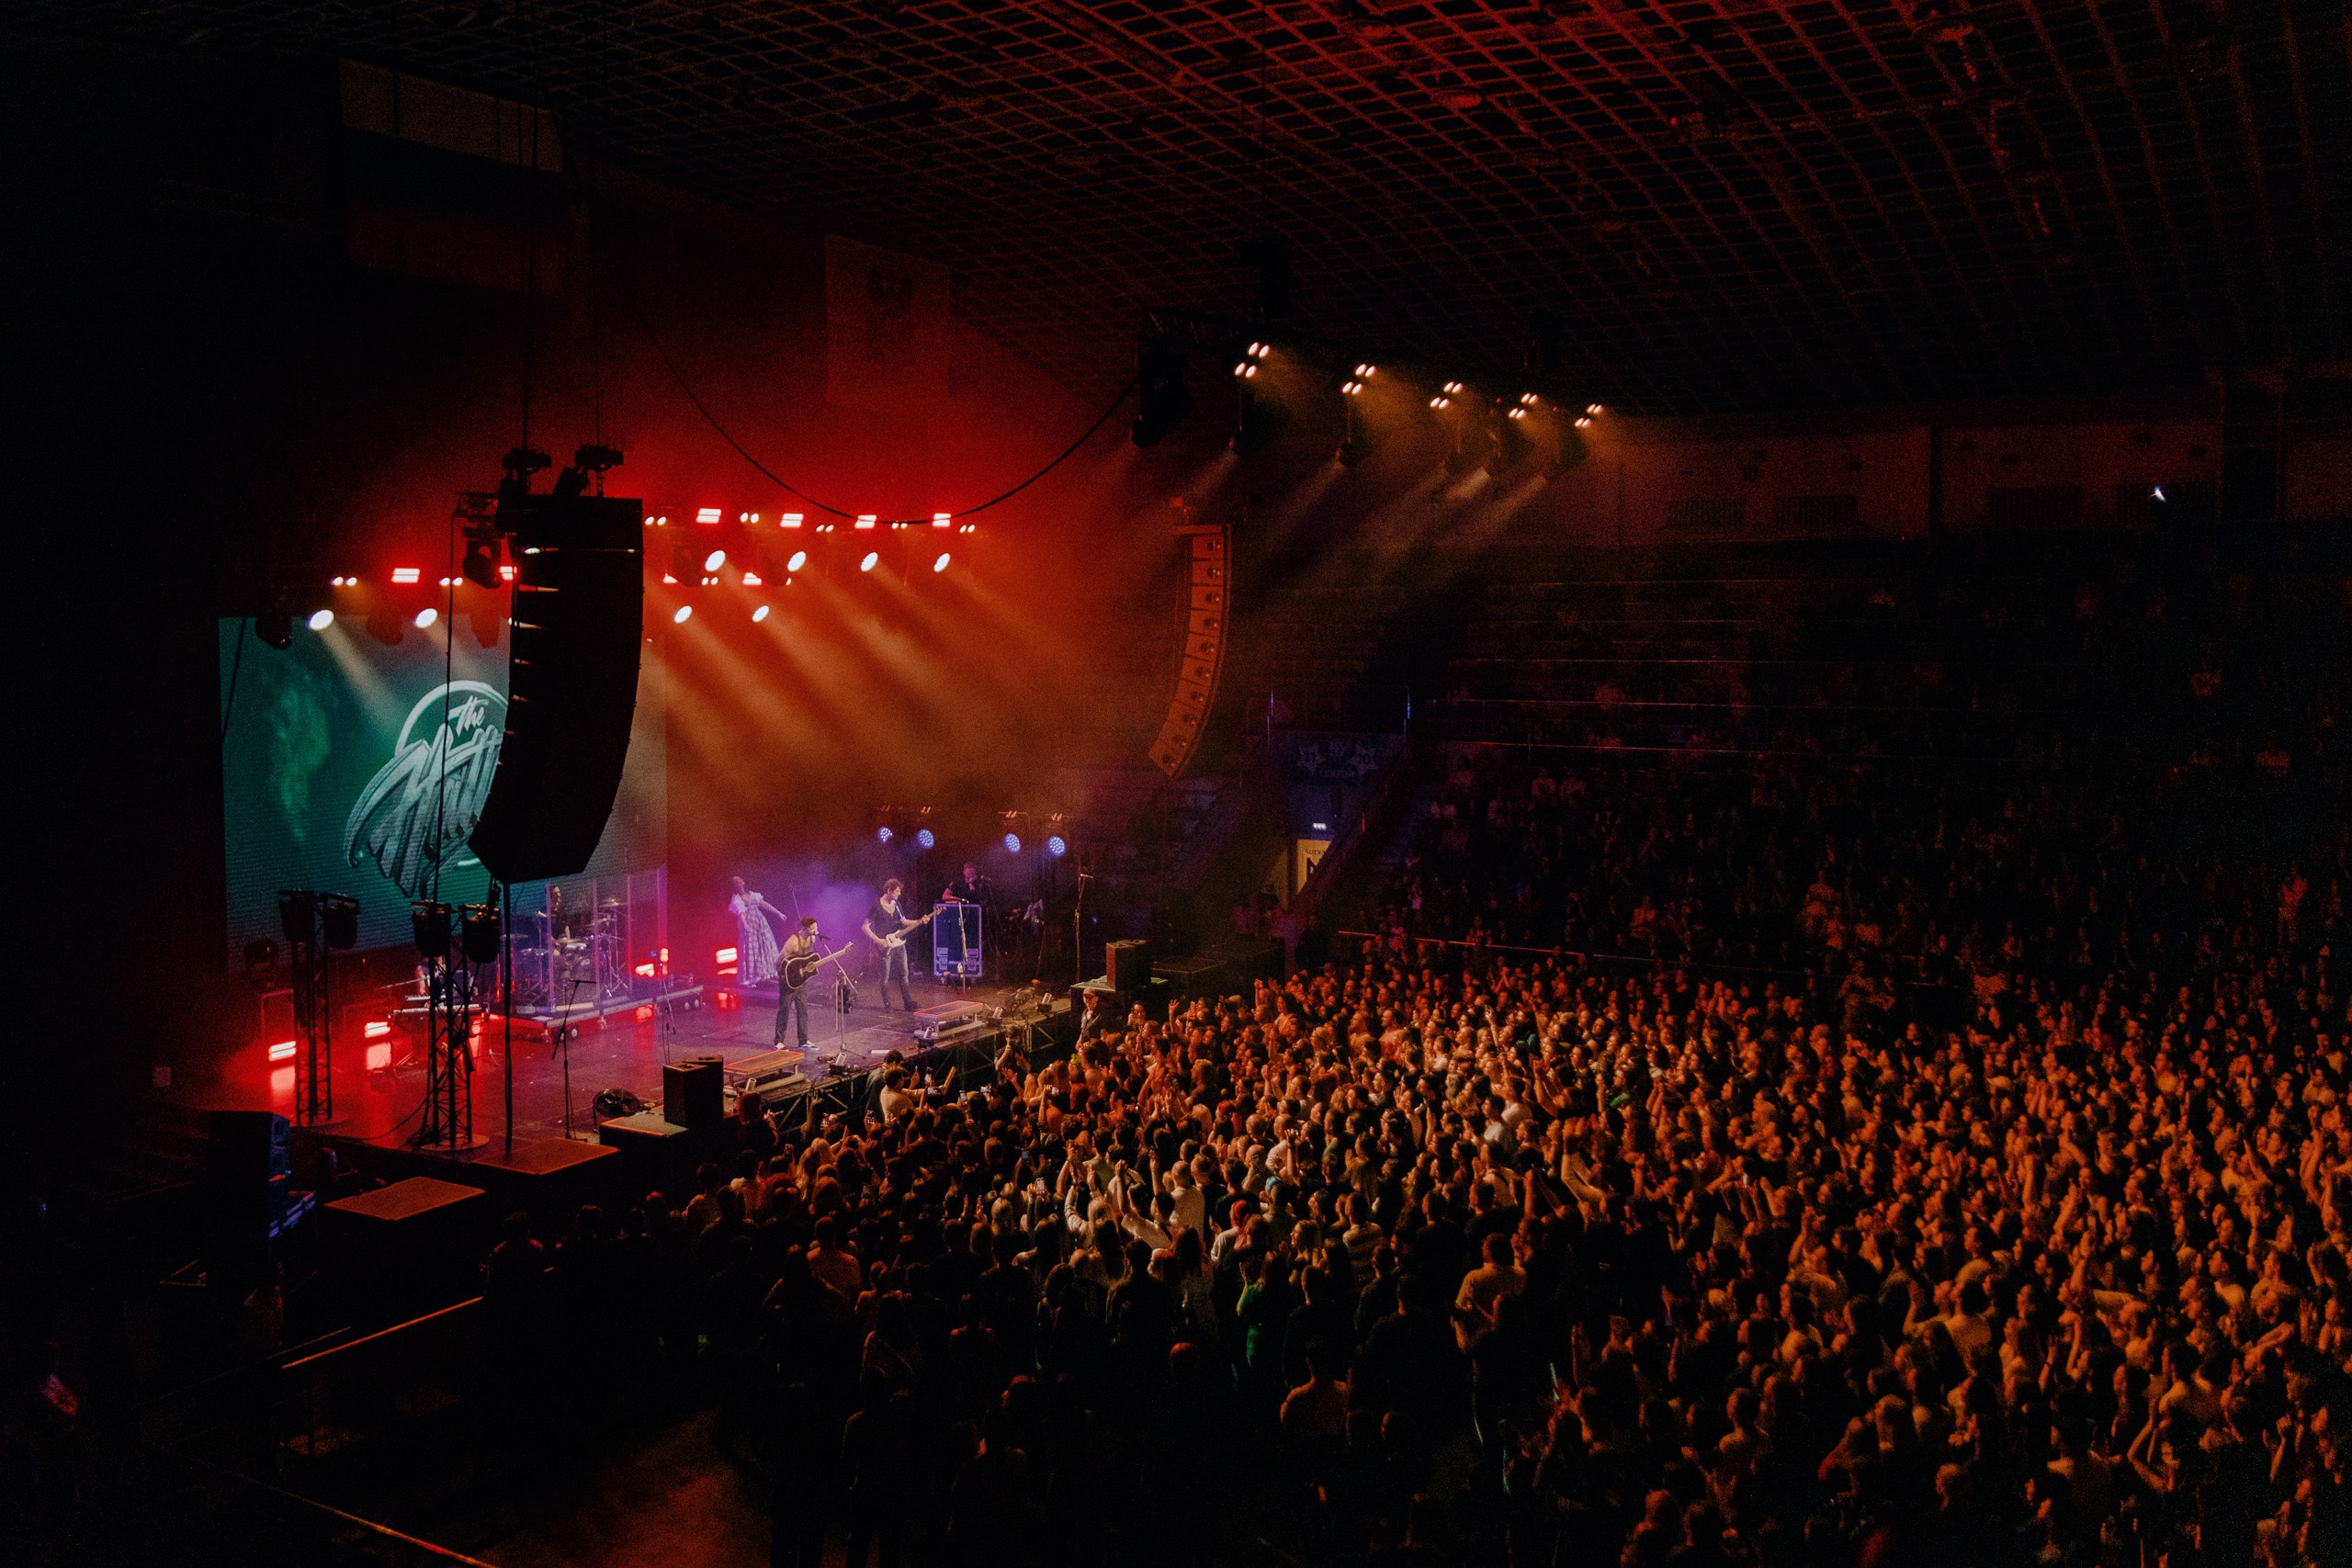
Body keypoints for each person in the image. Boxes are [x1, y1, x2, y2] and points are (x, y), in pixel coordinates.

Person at [862, 878, 922, 1012]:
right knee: (885, 977)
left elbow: (904, 921)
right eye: (896, 891)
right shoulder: (876, 906)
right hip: (884, 945)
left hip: (899, 943)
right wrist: (878, 940)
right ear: (888, 890)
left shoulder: (897, 904)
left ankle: (908, 1003)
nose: (899, 894)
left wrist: (919, 921)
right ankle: (887, 1004)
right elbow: (865, 927)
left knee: (904, 973)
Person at [729, 875, 783, 987]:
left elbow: (764, 904)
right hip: (750, 924)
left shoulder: (752, 895)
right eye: (735, 882)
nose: (738, 883)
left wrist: (778, 913)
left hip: (760, 923)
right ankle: (751, 977)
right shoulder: (737, 898)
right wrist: (745, 924)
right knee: (751, 948)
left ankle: (770, 972)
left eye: (739, 880)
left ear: (743, 882)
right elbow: (741, 913)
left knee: (766, 945)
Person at [775, 915, 818, 1049]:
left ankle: (803, 1041)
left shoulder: (812, 938)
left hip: (802, 981)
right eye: (813, 928)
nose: (816, 930)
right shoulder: (793, 941)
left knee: (803, 1010)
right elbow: (780, 959)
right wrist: (783, 976)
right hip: (788, 981)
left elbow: (808, 958)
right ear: (805, 928)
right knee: (784, 1010)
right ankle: (778, 1041)